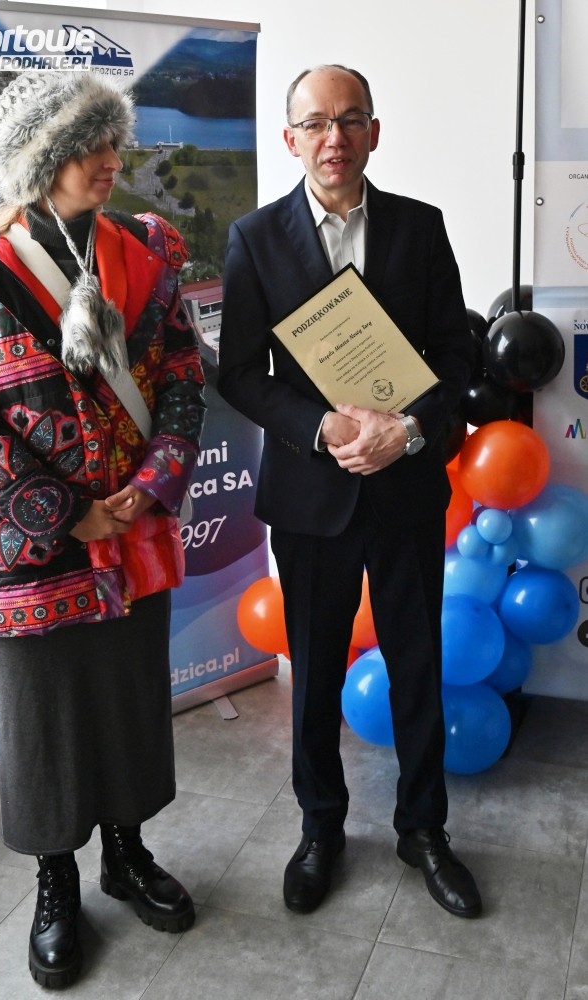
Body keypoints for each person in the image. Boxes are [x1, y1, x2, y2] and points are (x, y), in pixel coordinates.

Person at [0, 61, 205, 989]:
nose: (109, 159)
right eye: (87, 145)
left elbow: (181, 378)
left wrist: (151, 487)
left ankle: (126, 853)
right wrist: (66, 513)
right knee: (44, 722)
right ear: (36, 157)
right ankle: (57, 881)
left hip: (131, 535)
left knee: (128, 703)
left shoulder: (148, 250)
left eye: (112, 139)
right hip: (32, 550)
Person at [218, 64, 481, 919]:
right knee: (315, 675)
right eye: (316, 123)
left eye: (349, 119)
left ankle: (423, 829)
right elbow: (240, 374)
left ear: (373, 132)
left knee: (417, 666)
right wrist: (321, 425)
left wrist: (408, 430)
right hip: (310, 496)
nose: (333, 137)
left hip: (405, 488)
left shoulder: (419, 227)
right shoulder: (255, 238)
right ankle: (319, 829)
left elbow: (455, 354)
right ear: (290, 138)